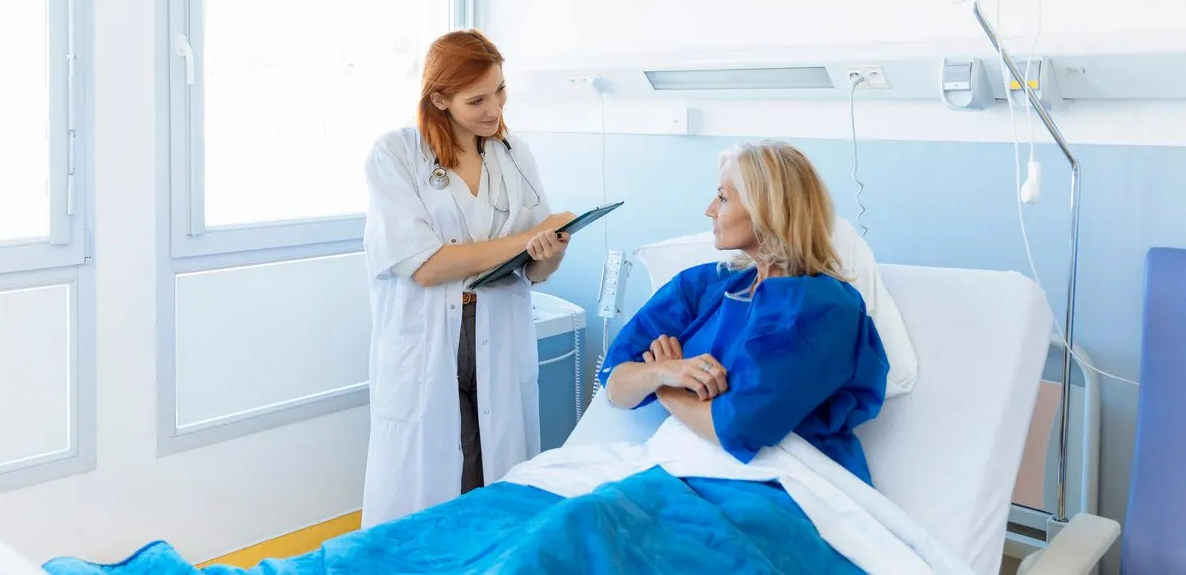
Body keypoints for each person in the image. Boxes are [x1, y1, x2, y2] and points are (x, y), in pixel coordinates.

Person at [360, 29, 574, 528]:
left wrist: (551, 246)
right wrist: (525, 241)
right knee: (427, 483)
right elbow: (427, 265)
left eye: (499, 90)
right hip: (429, 343)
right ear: (439, 99)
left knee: (490, 477)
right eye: (476, 99)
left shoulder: (514, 155)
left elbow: (537, 271)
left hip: (497, 335)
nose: (494, 109)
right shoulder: (396, 155)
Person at [600, 140, 889, 486]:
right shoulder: (704, 286)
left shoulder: (823, 307)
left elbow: (737, 427)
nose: (709, 209)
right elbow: (616, 385)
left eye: (722, 197)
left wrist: (666, 386)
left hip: (780, 483)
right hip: (681, 466)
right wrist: (666, 370)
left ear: (767, 209)